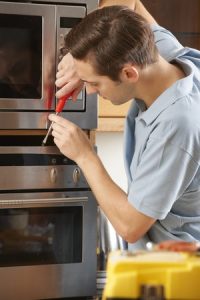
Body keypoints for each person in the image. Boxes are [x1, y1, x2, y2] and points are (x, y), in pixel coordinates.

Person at [49, 0, 200, 250]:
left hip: (174, 270)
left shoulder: (174, 128)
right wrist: (87, 53)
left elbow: (130, 226)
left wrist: (85, 155)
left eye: (94, 83)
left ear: (129, 74)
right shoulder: (160, 54)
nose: (89, 90)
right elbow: (131, 4)